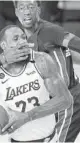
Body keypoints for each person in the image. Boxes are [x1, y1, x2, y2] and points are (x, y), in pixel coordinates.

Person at [0, 25, 73, 142]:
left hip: (49, 139)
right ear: (4, 45)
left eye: (24, 38)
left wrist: (28, 116)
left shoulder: (41, 60)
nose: (22, 41)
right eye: (16, 39)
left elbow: (65, 99)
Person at [13, 1, 80, 142]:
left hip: (69, 99)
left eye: (31, 7)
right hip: (50, 104)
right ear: (16, 12)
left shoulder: (51, 31)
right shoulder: (20, 37)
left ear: (38, 9)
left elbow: (76, 45)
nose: (26, 11)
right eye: (22, 8)